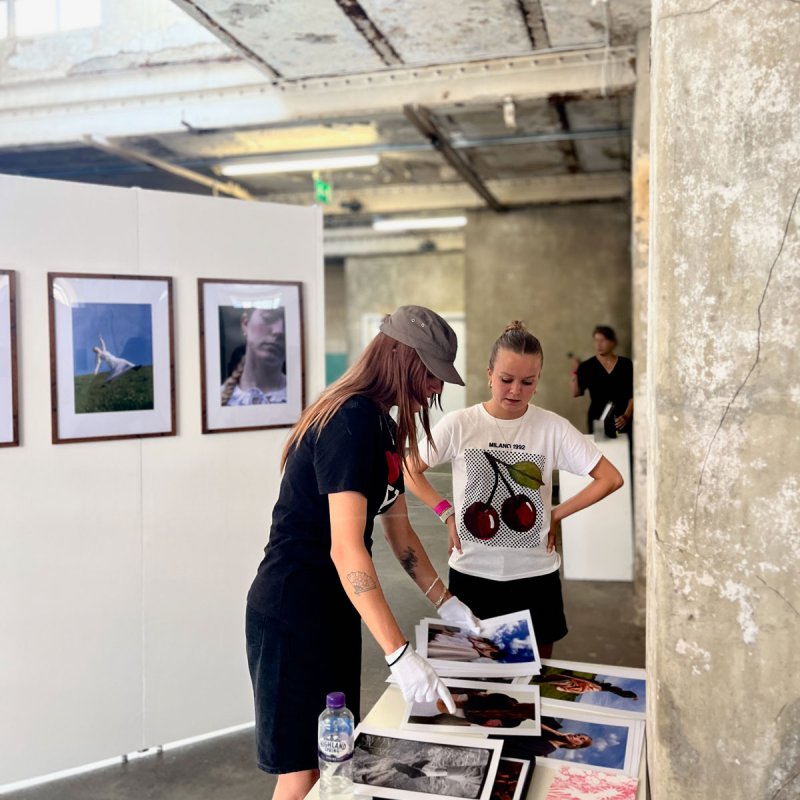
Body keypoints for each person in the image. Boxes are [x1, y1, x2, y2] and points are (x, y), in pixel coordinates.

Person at [245, 305, 481, 800]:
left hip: (333, 610)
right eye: (431, 374)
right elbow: (346, 549)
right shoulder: (349, 421)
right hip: (292, 611)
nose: (436, 388)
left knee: (332, 757)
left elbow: (399, 530)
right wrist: (399, 654)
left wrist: (446, 601)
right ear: (402, 359)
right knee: (302, 770)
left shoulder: (381, 427)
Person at [405, 321, 623, 659]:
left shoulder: (552, 428)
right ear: (490, 375)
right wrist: (447, 514)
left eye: (527, 382)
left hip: (536, 577)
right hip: (473, 574)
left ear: (538, 382)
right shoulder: (461, 424)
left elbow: (610, 478)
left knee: (536, 676)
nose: (515, 391)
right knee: (474, 677)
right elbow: (409, 469)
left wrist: (555, 515)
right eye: (506, 379)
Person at [570, 325, 633, 435]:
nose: (599, 344)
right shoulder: (587, 366)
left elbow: (633, 394)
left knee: (623, 445)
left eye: (603, 340)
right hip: (597, 418)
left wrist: (626, 416)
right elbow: (576, 393)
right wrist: (575, 371)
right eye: (596, 340)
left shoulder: (626, 364)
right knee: (599, 445)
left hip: (621, 419)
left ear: (612, 342)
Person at [221, 307, 288, 405]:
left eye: (287, 323)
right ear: (245, 323)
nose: (279, 330)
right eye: (269, 318)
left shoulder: (301, 395)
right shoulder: (218, 399)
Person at [534, 671, 638, 699]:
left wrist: (633, 696)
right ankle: (542, 679)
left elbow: (621, 693)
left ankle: (541, 679)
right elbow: (620, 692)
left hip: (586, 686)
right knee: (566, 681)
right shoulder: (602, 687)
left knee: (566, 682)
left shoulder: (604, 688)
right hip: (586, 686)